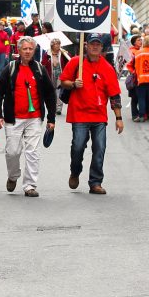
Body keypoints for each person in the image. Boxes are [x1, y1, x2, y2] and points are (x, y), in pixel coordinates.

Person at [59, 34, 123, 195]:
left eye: (98, 45)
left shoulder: (107, 68)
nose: (95, 47)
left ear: (102, 48)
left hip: (99, 116)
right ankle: (75, 171)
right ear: (86, 45)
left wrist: (119, 118)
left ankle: (95, 182)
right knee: (78, 147)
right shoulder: (75, 62)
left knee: (100, 148)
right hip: (79, 114)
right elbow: (63, 81)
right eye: (92, 44)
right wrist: (73, 84)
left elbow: (114, 95)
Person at [0, 36, 56, 197]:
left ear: (34, 50)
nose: (27, 51)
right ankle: (13, 176)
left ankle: (30, 185)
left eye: (30, 49)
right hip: (13, 118)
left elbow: (50, 94)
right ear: (19, 50)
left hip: (34, 118)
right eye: (24, 49)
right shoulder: (10, 68)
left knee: (32, 152)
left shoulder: (40, 69)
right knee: (12, 152)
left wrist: (51, 119)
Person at [132, 35, 149, 122]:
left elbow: (135, 66)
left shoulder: (138, 53)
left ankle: (141, 116)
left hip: (142, 79)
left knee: (141, 98)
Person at [41, 38, 70, 115]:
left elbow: (69, 61)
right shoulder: (47, 54)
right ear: (52, 45)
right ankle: (53, 107)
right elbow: (43, 64)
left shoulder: (63, 53)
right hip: (50, 75)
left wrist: (66, 54)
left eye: (59, 44)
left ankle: (59, 108)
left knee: (59, 91)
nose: (57, 46)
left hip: (60, 74)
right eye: (56, 44)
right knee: (52, 91)